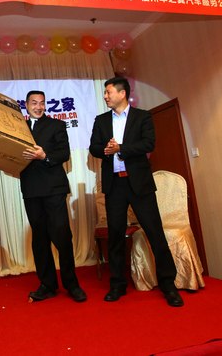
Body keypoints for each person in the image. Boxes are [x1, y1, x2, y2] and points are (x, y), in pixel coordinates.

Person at [89, 77, 183, 307]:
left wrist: (121, 148)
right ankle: (117, 284)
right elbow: (93, 147)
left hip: (139, 184)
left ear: (122, 94)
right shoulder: (101, 120)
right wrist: (106, 149)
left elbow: (148, 143)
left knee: (155, 233)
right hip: (115, 185)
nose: (105, 96)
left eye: (108, 92)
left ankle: (168, 285)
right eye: (105, 93)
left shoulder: (142, 117)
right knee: (115, 236)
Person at [20, 90, 87, 303]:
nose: (38, 107)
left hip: (54, 189)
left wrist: (44, 156)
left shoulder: (56, 125)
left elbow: (63, 153)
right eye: (34, 103)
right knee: (39, 239)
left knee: (62, 236)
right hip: (31, 190)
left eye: (42, 103)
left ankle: (72, 284)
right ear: (26, 105)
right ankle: (47, 285)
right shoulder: (18, 127)